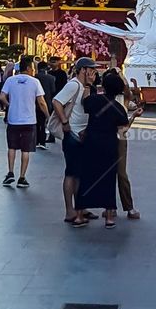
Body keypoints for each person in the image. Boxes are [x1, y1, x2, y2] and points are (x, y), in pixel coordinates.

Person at [75, 73, 129, 228]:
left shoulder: (93, 100)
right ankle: (109, 217)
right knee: (108, 179)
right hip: (109, 144)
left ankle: (79, 215)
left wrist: (86, 84)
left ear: (103, 86)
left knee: (86, 176)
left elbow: (83, 102)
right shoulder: (119, 108)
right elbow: (122, 129)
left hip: (90, 142)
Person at [53, 56, 98, 223]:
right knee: (71, 172)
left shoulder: (85, 87)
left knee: (81, 173)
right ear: (83, 70)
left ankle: (81, 206)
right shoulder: (73, 85)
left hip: (82, 133)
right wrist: (65, 122)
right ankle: (69, 210)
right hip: (72, 134)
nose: (93, 72)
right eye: (91, 69)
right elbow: (56, 101)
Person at [0, 55, 48, 188]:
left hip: (13, 119)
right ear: (28, 68)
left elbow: (2, 96)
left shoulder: (10, 80)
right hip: (29, 120)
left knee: (12, 147)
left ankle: (10, 173)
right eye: (32, 67)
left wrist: (9, 105)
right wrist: (47, 115)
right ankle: (22, 177)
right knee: (26, 149)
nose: (33, 70)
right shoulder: (34, 82)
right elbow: (41, 102)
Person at [111, 70, 143, 220]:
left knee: (115, 173)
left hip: (110, 136)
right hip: (118, 136)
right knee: (119, 173)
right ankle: (121, 207)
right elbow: (124, 128)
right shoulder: (121, 100)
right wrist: (134, 117)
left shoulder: (121, 98)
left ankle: (115, 207)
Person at [35, 59, 55, 150]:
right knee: (43, 123)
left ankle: (35, 141)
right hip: (47, 102)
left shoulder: (34, 78)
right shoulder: (51, 78)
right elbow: (53, 91)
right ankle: (42, 141)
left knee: (35, 123)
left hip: (34, 103)